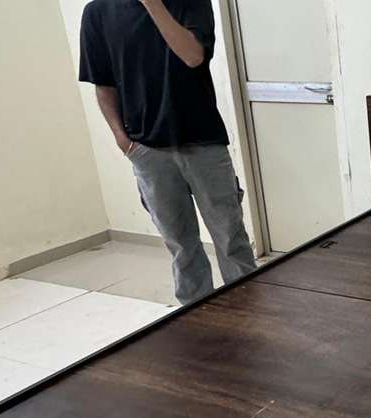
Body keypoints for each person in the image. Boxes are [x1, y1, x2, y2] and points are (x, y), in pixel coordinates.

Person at [78, 0, 257, 305]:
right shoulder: (97, 12)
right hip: (147, 151)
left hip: (204, 143)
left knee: (231, 237)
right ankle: (195, 316)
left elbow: (193, 56)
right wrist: (123, 141)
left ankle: (250, 309)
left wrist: (152, 4)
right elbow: (104, 86)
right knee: (180, 245)